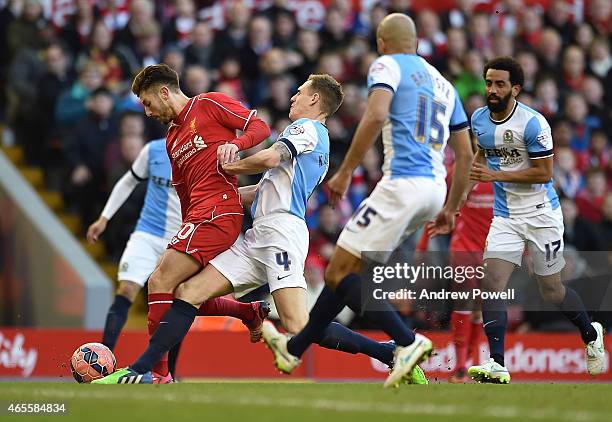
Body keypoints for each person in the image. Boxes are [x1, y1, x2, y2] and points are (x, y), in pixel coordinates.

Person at [93, 74, 428, 384]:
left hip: (282, 233)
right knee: (187, 292)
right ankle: (145, 371)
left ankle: (388, 352)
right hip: (258, 235)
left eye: (299, 92)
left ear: (314, 100)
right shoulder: (310, 141)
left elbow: (268, 158)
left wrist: (230, 163)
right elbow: (265, 187)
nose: (294, 97)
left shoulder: (308, 129)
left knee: (298, 326)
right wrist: (220, 194)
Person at [261, 13, 474, 388]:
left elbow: (376, 114)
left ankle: (406, 342)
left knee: (338, 271)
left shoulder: (387, 64)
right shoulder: (444, 84)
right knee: (346, 272)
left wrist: (345, 171)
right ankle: (295, 348)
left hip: (402, 184)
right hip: (435, 188)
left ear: (381, 42)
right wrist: (451, 209)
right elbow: (466, 155)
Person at [95, 63, 271, 384]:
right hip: (198, 216)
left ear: (164, 92)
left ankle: (157, 373)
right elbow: (184, 192)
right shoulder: (172, 138)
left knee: (158, 281)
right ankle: (248, 311)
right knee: (181, 294)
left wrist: (238, 144)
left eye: (148, 103)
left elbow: (259, 127)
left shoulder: (208, 104)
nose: (147, 112)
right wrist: (184, 227)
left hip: (218, 213)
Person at [467, 56, 605, 384]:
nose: (492, 89)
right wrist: (460, 198)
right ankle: (497, 363)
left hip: (542, 215)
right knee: (492, 284)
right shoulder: (479, 119)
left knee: (551, 290)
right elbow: (480, 158)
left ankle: (590, 333)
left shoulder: (533, 123)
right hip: (505, 216)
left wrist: (494, 174)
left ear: (515, 88)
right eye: (488, 82)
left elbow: (544, 172)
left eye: (500, 84)